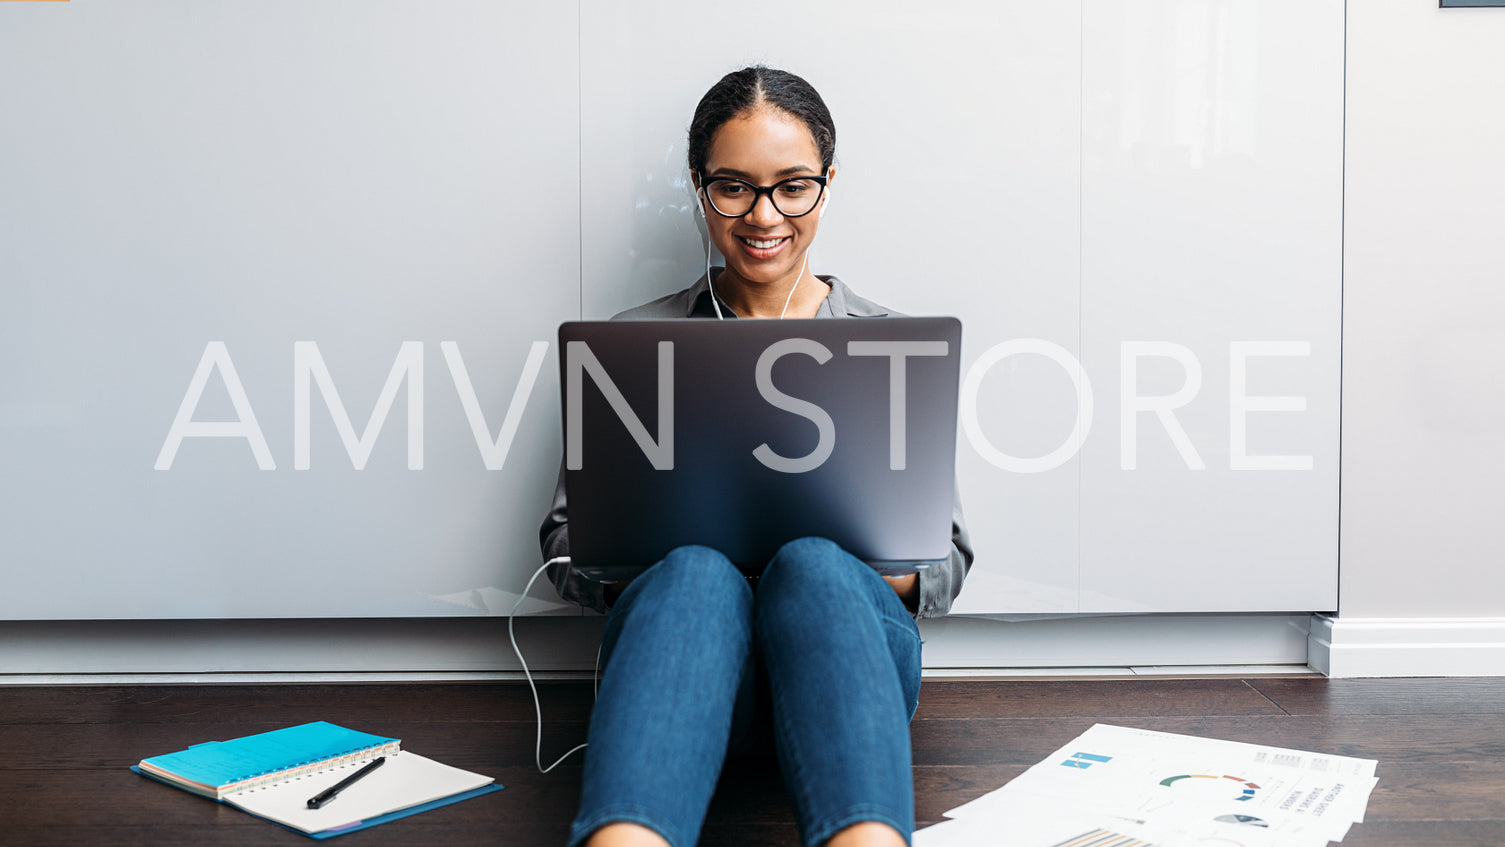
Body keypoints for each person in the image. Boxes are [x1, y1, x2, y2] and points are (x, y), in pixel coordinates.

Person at [539, 65, 973, 847]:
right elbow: (566, 548)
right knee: (697, 571)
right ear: (697, 185)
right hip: (685, 681)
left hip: (850, 680)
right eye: (733, 187)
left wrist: (869, 552)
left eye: (792, 186)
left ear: (828, 183)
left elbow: (947, 562)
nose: (763, 215)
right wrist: (648, 548)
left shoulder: (886, 342)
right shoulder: (635, 341)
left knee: (810, 562)